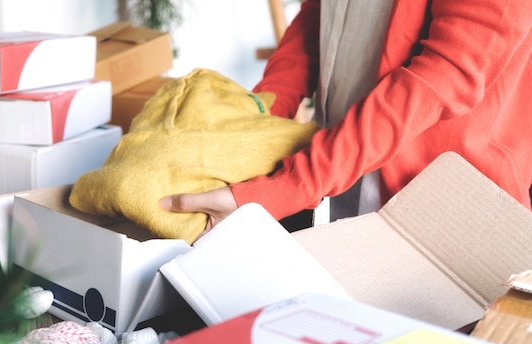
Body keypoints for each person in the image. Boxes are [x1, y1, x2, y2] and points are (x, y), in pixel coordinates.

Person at [161, 0, 532, 240]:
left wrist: (291, 186)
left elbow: (446, 70)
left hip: (446, 211)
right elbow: (319, 18)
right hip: (337, 178)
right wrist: (256, 125)